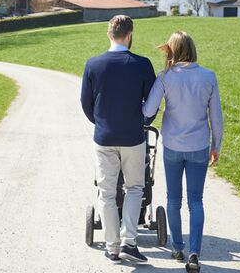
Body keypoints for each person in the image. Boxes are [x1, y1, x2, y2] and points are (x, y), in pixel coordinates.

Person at [142, 31, 223, 273]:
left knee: (173, 200)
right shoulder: (209, 76)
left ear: (172, 50)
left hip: (173, 146)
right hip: (199, 146)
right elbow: (216, 117)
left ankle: (177, 247)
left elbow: (148, 111)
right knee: (196, 201)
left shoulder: (166, 77)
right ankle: (194, 252)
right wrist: (216, 145)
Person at [80, 15, 156, 264]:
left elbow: (86, 104)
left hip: (104, 137)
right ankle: (129, 243)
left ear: (108, 34)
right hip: (133, 136)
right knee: (135, 188)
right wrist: (143, 122)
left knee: (107, 191)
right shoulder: (143, 64)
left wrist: (101, 123)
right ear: (130, 35)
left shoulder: (93, 64)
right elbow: (152, 104)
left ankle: (112, 248)